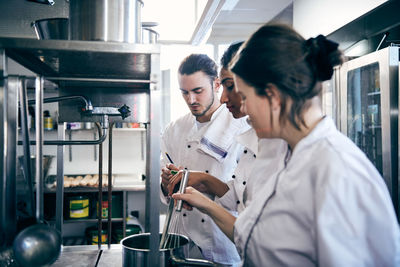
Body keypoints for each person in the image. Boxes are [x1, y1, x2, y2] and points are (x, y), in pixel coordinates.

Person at [172, 24, 400, 266]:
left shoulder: (337, 171)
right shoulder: (282, 153)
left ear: (273, 97)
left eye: (246, 96)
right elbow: (253, 237)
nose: (244, 109)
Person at [167, 42, 287, 213]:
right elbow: (240, 199)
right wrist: (202, 181)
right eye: (184, 92)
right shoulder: (254, 133)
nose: (223, 98)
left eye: (230, 86)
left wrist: (204, 186)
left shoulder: (285, 145)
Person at [160, 54, 248, 265]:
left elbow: (242, 196)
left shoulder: (242, 126)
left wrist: (205, 184)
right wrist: (166, 184)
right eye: (184, 93)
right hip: (182, 241)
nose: (191, 100)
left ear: (216, 84)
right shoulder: (175, 129)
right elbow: (164, 192)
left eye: (198, 91)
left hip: (223, 244)